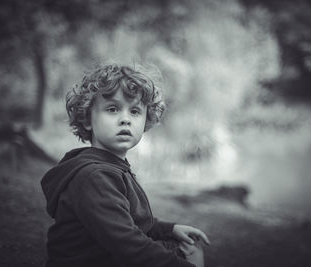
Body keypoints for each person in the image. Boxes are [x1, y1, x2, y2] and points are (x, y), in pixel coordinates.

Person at [41, 63, 210, 267]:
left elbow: (129, 219)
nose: (125, 120)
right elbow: (128, 244)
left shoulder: (111, 166)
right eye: (112, 109)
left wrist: (168, 229)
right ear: (87, 119)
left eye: (135, 111)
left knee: (187, 246)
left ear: (146, 118)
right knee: (188, 257)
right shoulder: (95, 176)